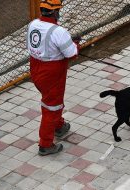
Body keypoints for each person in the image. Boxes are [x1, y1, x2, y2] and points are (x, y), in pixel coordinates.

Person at [27, 0, 79, 156]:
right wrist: (75, 43)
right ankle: (45, 144)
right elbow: (72, 54)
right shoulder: (59, 31)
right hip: (52, 75)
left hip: (36, 70)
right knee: (51, 107)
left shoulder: (33, 24)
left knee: (53, 103)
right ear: (56, 12)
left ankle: (58, 126)